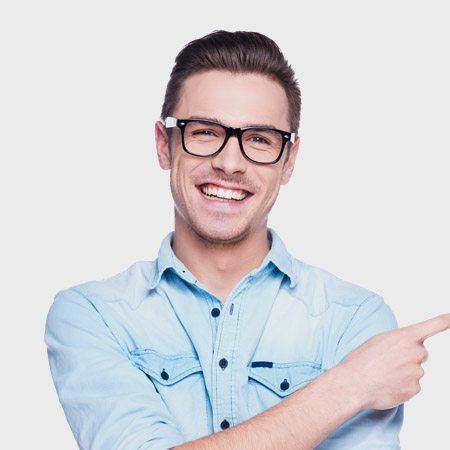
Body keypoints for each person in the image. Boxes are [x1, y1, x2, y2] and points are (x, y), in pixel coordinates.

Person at [44, 30, 449, 450]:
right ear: (165, 145)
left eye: (259, 139)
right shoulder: (93, 315)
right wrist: (347, 387)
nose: (230, 163)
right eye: (204, 132)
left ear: (288, 161)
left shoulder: (354, 319)